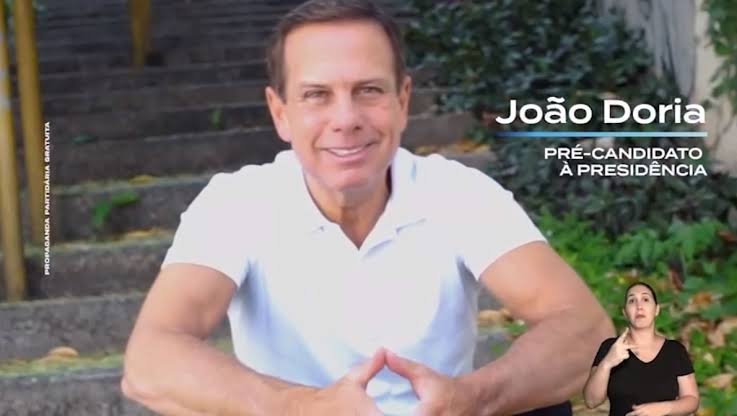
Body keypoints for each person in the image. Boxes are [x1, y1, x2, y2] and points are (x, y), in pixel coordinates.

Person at [121, 1, 614, 414]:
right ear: (280, 113)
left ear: (403, 101)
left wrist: (474, 398)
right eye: (317, 95)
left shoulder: (459, 193)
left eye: (368, 91)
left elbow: (587, 330)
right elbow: (150, 361)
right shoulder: (237, 204)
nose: (346, 119)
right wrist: (303, 408)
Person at [583, 282, 700, 416]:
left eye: (645, 299)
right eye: (632, 301)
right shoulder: (610, 348)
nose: (639, 306)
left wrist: (662, 408)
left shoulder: (674, 350)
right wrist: (607, 364)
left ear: (656, 310)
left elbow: (692, 400)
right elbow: (591, 401)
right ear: (625, 312)